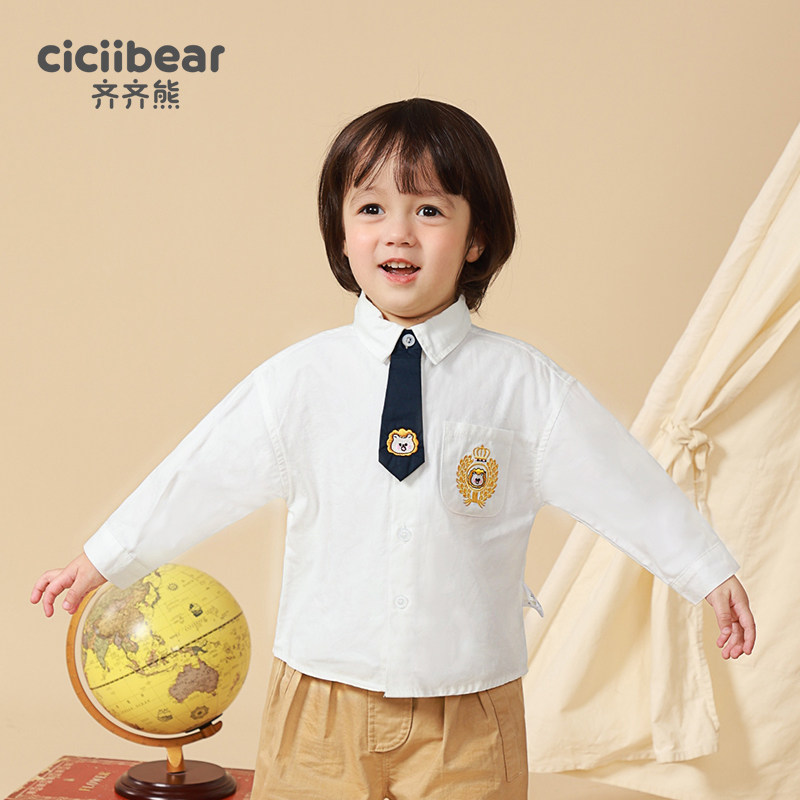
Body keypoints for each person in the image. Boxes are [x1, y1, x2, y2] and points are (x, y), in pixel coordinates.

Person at [31, 98, 755, 800]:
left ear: (476, 238)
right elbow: (201, 473)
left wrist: (705, 570)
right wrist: (107, 555)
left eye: (430, 211)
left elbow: (621, 483)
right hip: (319, 697)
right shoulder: (300, 380)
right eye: (372, 209)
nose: (398, 234)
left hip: (468, 706)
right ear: (342, 234)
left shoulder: (524, 386)